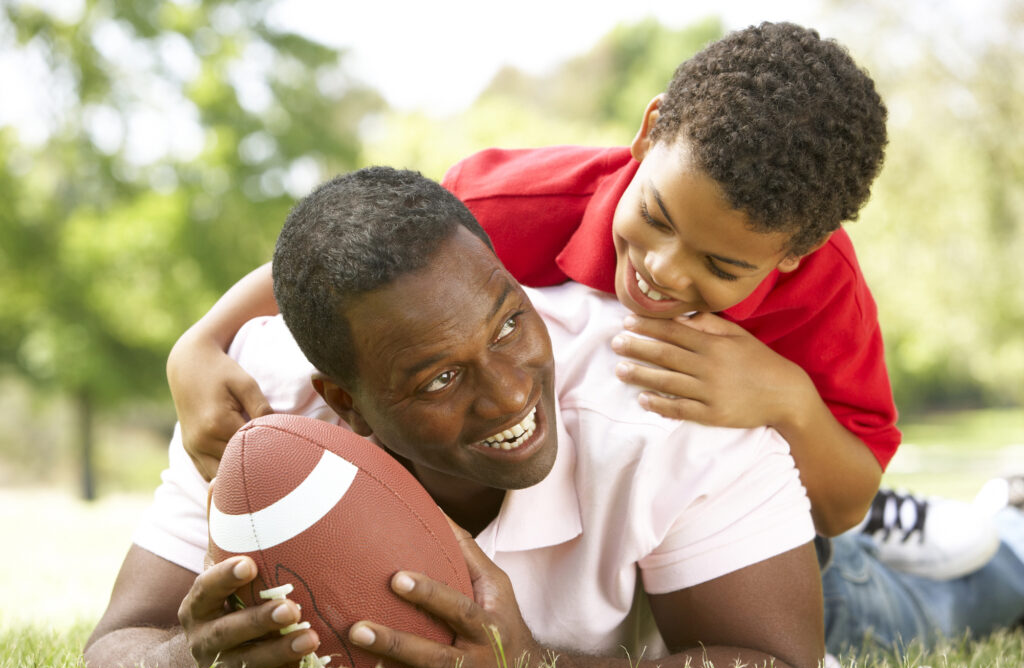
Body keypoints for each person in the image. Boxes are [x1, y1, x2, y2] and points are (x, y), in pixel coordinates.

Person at [85, 167, 825, 668]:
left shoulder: (667, 414)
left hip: (781, 556)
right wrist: (190, 663)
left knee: (891, 595)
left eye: (508, 325)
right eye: (439, 378)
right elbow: (117, 641)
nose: (507, 396)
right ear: (343, 403)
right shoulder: (257, 414)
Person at [167, 22, 895, 539]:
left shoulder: (824, 291)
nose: (663, 269)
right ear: (649, 132)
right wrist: (200, 341)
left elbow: (840, 507)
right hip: (615, 537)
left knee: (876, 597)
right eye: (656, 215)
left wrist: (786, 399)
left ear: (795, 253)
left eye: (722, 266)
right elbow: (354, 270)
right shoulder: (514, 206)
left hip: (782, 539)